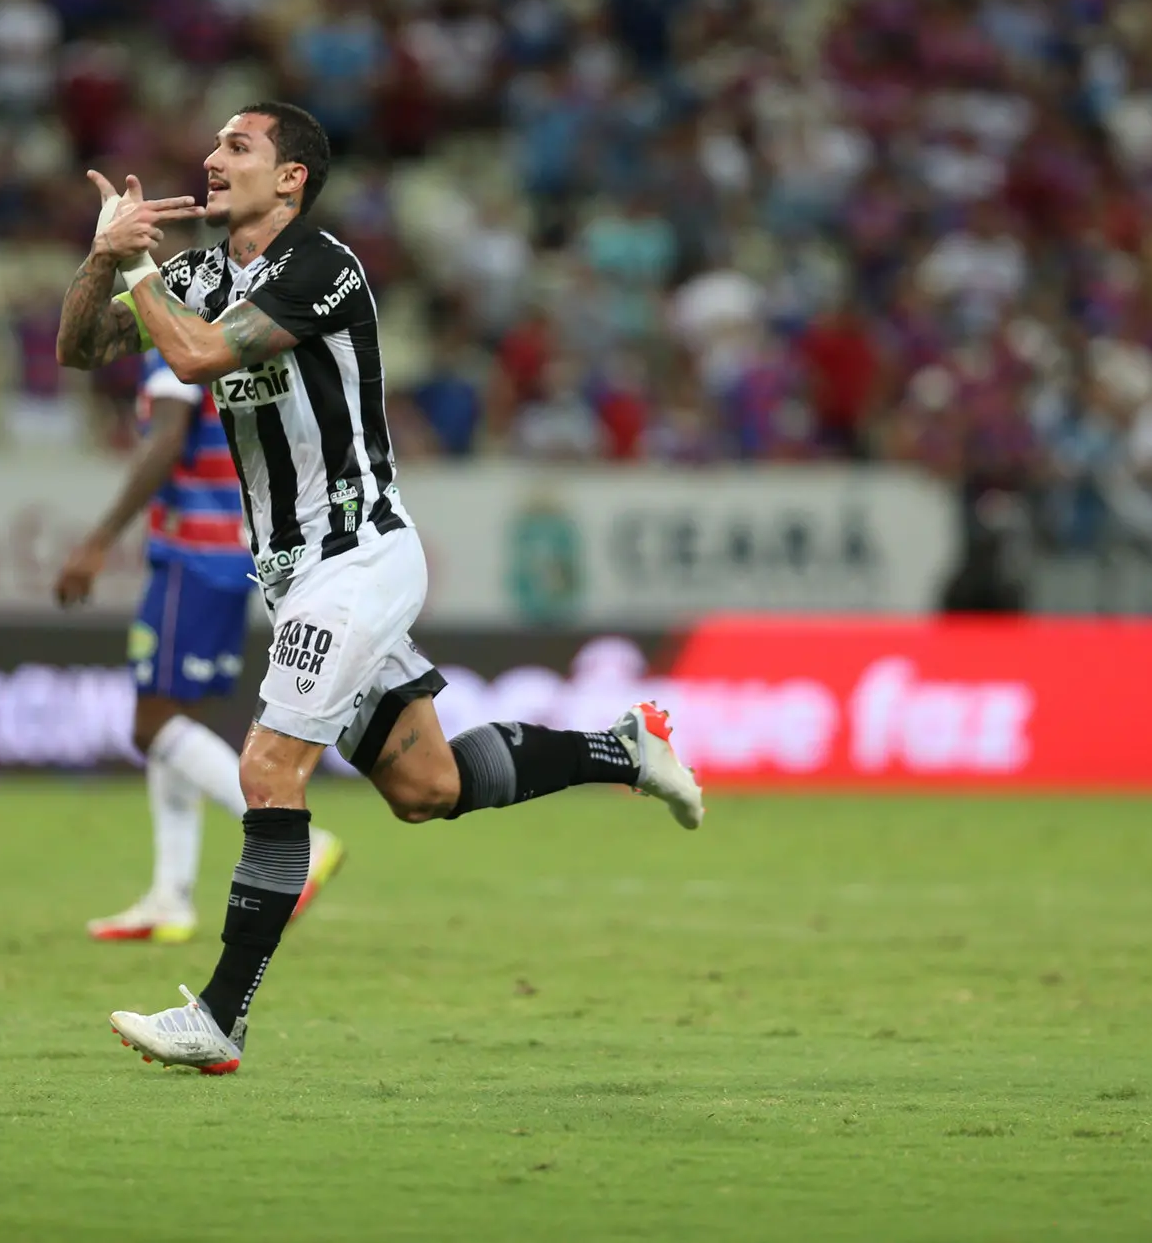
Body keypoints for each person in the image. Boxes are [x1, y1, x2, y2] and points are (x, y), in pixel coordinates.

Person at [56, 102, 704, 1074]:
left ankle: (221, 1018)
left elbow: (191, 356)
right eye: (214, 143)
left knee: (267, 771)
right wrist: (105, 257)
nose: (209, 158)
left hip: (357, 561)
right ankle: (620, 751)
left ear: (290, 179)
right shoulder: (195, 272)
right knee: (424, 788)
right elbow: (82, 349)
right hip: (291, 575)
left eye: (238, 146)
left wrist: (141, 268)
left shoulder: (322, 268)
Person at [53, 346, 344, 943]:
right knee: (171, 717)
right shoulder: (220, 341)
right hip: (228, 553)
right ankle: (171, 896)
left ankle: (297, 843)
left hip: (192, 555)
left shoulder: (174, 348)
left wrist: (99, 539)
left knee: (150, 724)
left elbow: (165, 440)